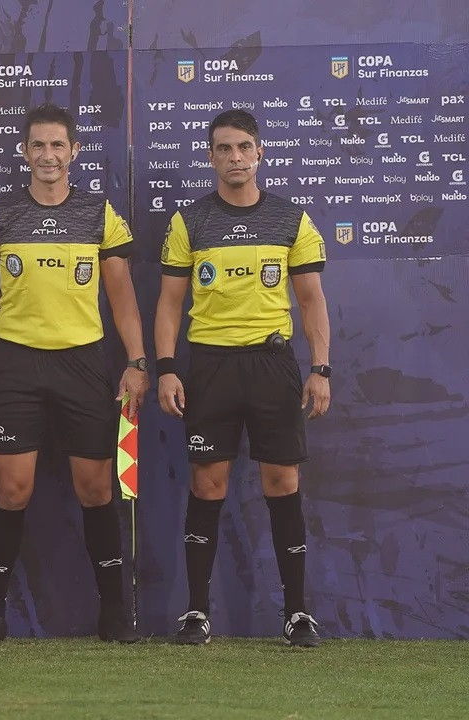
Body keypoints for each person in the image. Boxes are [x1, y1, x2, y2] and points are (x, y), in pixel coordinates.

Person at [0, 104, 147, 644]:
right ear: (24, 152)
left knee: (96, 489)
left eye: (58, 146)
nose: (48, 155)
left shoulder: (100, 214)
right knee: (12, 491)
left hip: (83, 362)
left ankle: (114, 611)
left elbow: (122, 296)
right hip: (14, 363)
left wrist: (137, 361)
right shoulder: (0, 213)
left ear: (74, 151)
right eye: (38, 146)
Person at [155, 109, 330, 648]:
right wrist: (165, 368)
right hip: (210, 366)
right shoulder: (190, 221)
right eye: (223, 149)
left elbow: (311, 301)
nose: (234, 157)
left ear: (259, 154)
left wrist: (320, 368)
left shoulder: (292, 219)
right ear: (211, 156)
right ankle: (197, 613)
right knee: (208, 484)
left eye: (243, 148)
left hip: (273, 365)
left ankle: (298, 614)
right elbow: (168, 303)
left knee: (283, 483)